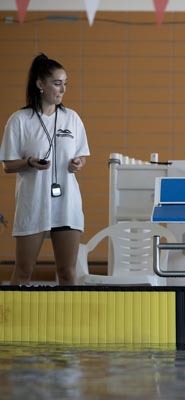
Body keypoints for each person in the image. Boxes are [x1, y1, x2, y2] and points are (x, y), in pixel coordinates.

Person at [0, 53, 90, 285]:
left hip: (67, 203)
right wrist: (28, 162)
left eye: (65, 84)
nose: (63, 90)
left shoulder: (72, 118)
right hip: (34, 202)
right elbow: (7, 165)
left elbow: (81, 155)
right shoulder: (20, 120)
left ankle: (69, 311)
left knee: (67, 272)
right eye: (57, 83)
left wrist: (78, 163)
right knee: (24, 271)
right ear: (40, 84)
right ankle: (10, 310)